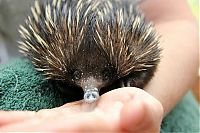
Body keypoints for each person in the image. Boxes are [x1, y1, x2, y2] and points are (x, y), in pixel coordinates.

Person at [0, 0, 198, 132]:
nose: (90, 92)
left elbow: (175, 21)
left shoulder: (134, 46)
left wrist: (140, 94)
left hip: (170, 83)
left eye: (106, 73)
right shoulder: (49, 50)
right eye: (77, 74)